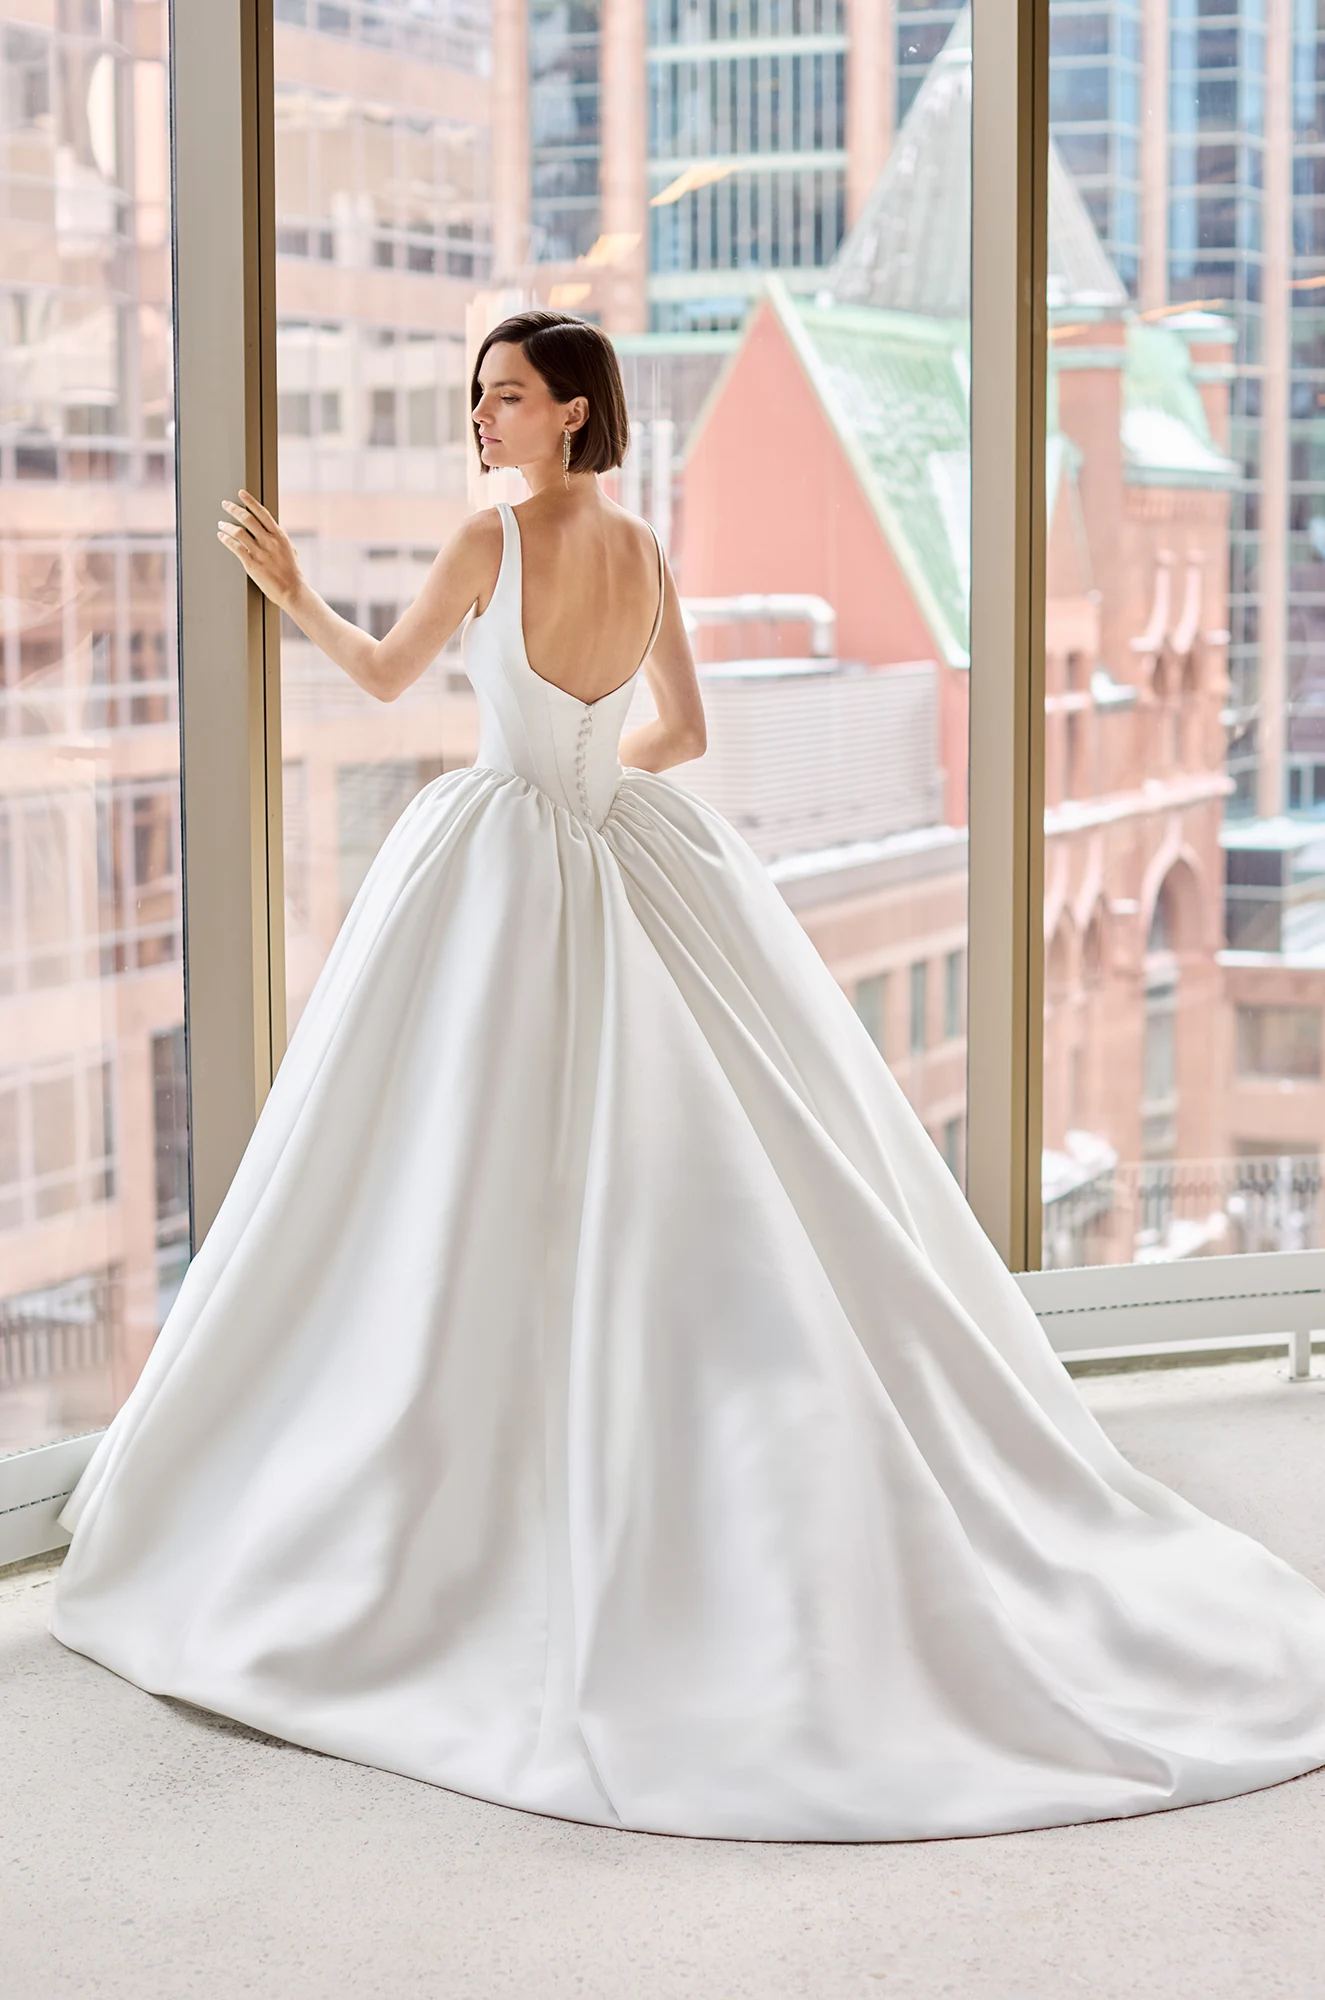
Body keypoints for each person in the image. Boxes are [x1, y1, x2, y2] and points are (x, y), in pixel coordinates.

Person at [50, 311, 1325, 1844]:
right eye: (478, 398)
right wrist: (593, 793)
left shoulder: (490, 541)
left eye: (506, 396)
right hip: (616, 847)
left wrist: (297, 596)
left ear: (573, 412)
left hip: (507, 855)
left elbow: (388, 683)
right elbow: (689, 731)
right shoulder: (646, 554)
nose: (482, 418)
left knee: (455, 1173)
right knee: (661, 1166)